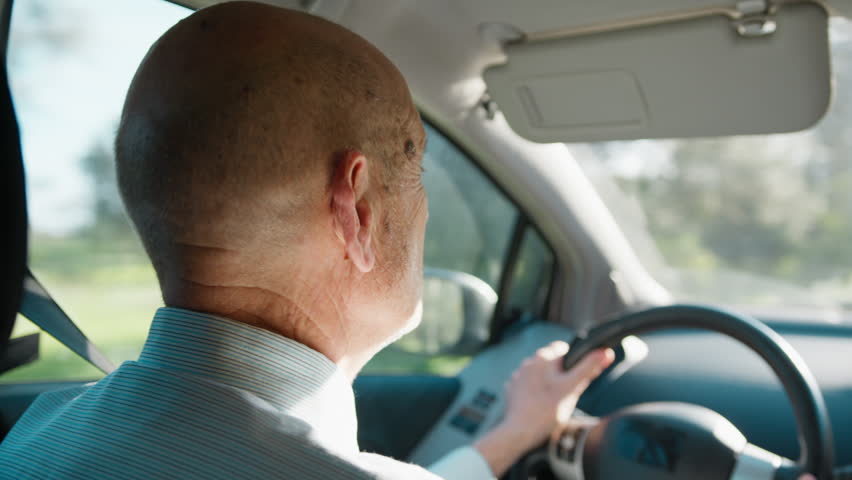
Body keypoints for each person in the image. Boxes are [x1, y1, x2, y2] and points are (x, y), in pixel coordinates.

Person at [0, 1, 689, 479]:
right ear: (355, 209)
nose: (421, 209)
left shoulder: (37, 435)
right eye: (414, 173)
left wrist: (513, 434)